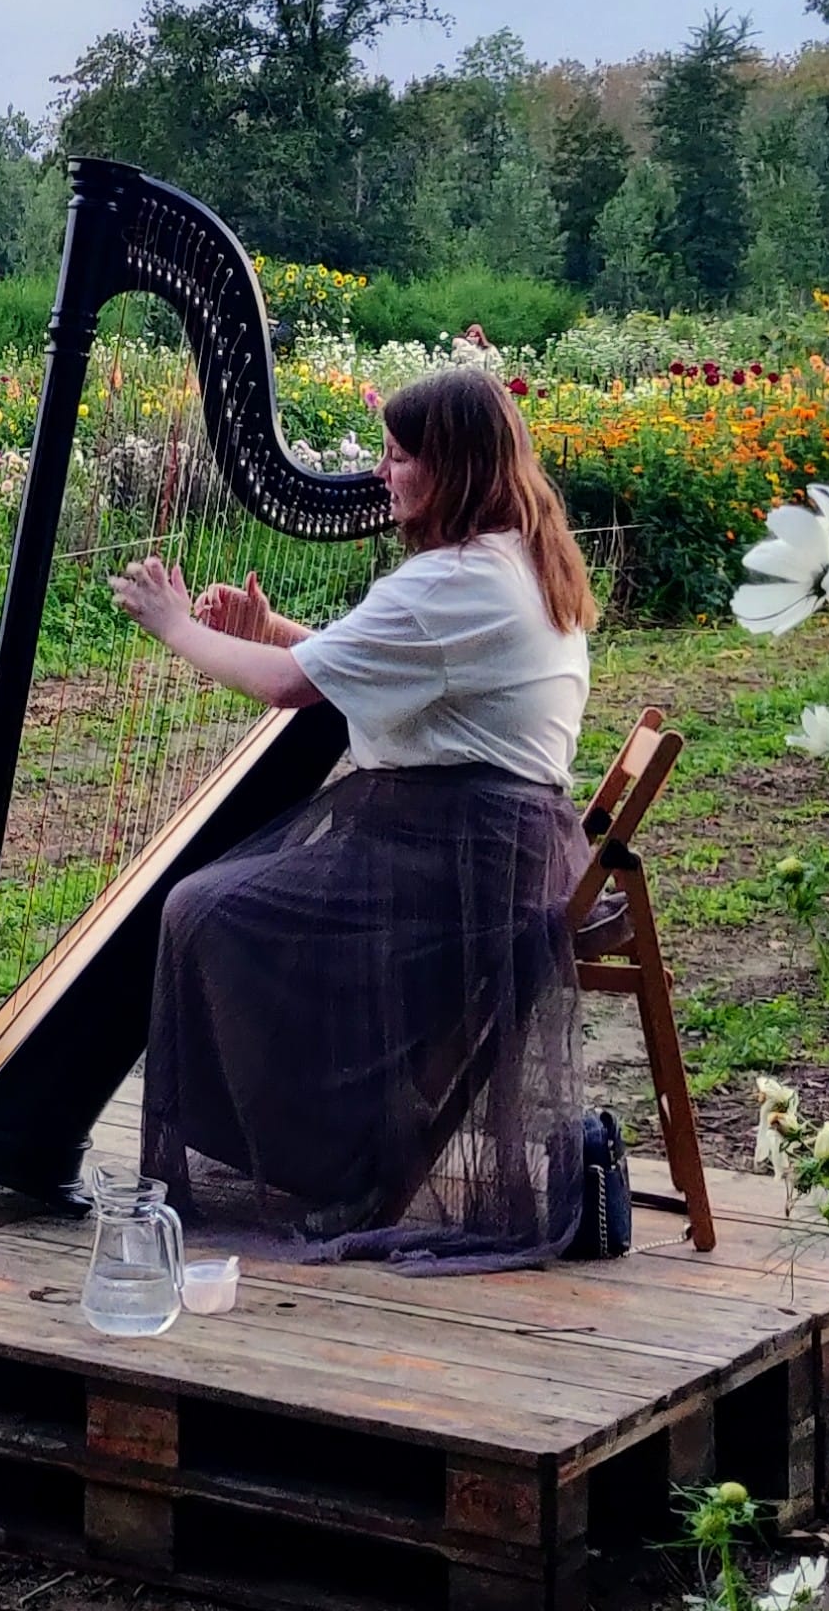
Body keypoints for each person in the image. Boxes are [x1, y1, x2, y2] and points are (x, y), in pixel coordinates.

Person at [108, 364, 596, 1273]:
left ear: (449, 468)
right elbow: (369, 661)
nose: (381, 472)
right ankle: (332, 1141)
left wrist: (176, 625)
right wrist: (277, 629)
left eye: (398, 455)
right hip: (486, 843)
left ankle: (329, 1157)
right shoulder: (512, 559)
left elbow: (295, 690)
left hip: (455, 856)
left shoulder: (457, 583)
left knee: (207, 911)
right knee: (224, 904)